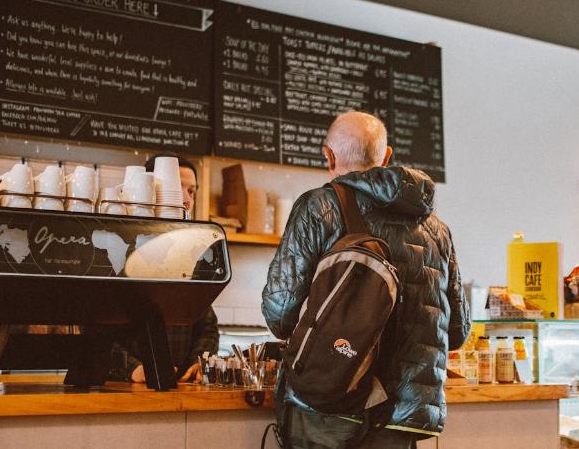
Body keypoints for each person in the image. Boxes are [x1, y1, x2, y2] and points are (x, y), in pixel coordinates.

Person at [262, 111, 470, 448]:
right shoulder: (437, 230)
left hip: (331, 406)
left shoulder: (318, 208)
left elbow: (280, 313)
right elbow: (457, 332)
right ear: (386, 158)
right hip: (404, 419)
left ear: (328, 156)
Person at [109, 153, 219, 384]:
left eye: (192, 192)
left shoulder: (190, 254)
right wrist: (132, 369)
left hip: (177, 386)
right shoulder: (118, 249)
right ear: (149, 189)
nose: (187, 200)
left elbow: (206, 327)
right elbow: (97, 331)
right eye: (177, 188)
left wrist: (198, 362)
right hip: (123, 388)